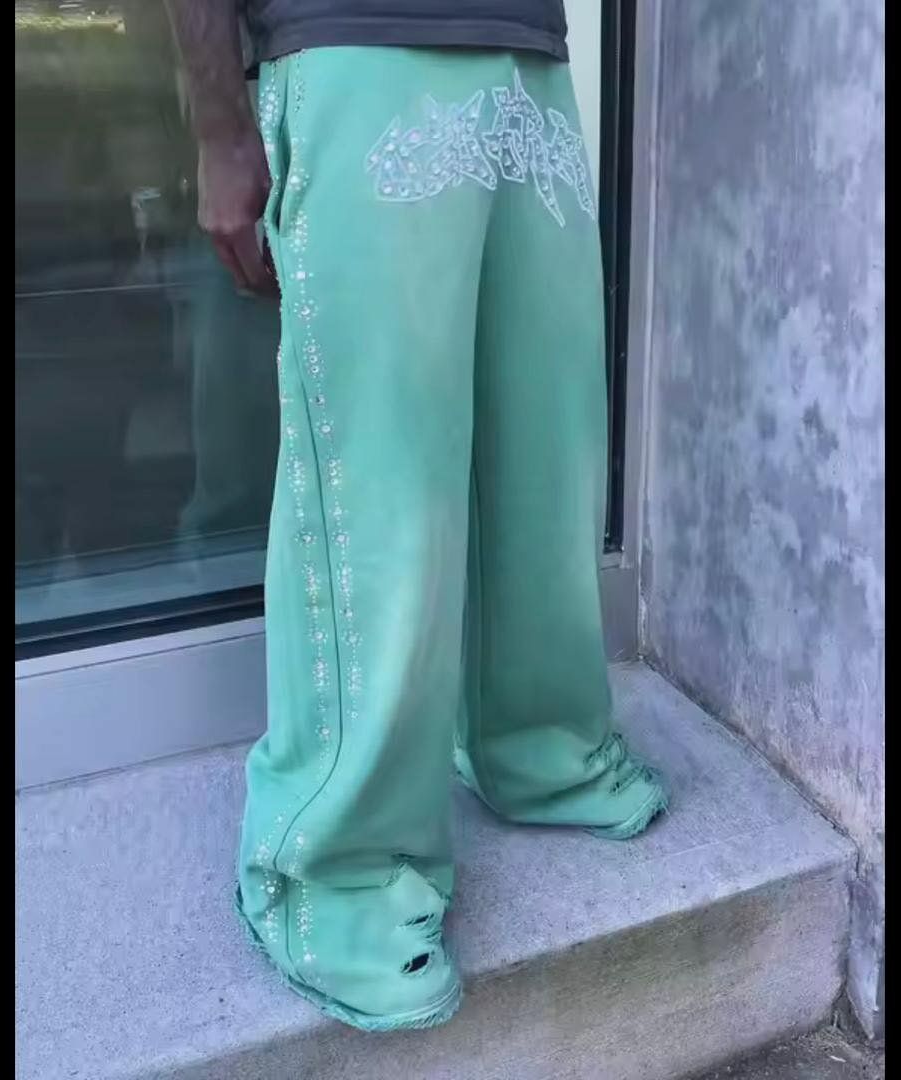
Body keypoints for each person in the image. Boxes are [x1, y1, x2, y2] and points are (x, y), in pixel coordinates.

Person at [164, 0, 667, 1033]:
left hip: (527, 51)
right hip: (350, 40)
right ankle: (332, 866)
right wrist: (218, 126)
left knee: (547, 443)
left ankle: (536, 746)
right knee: (380, 471)